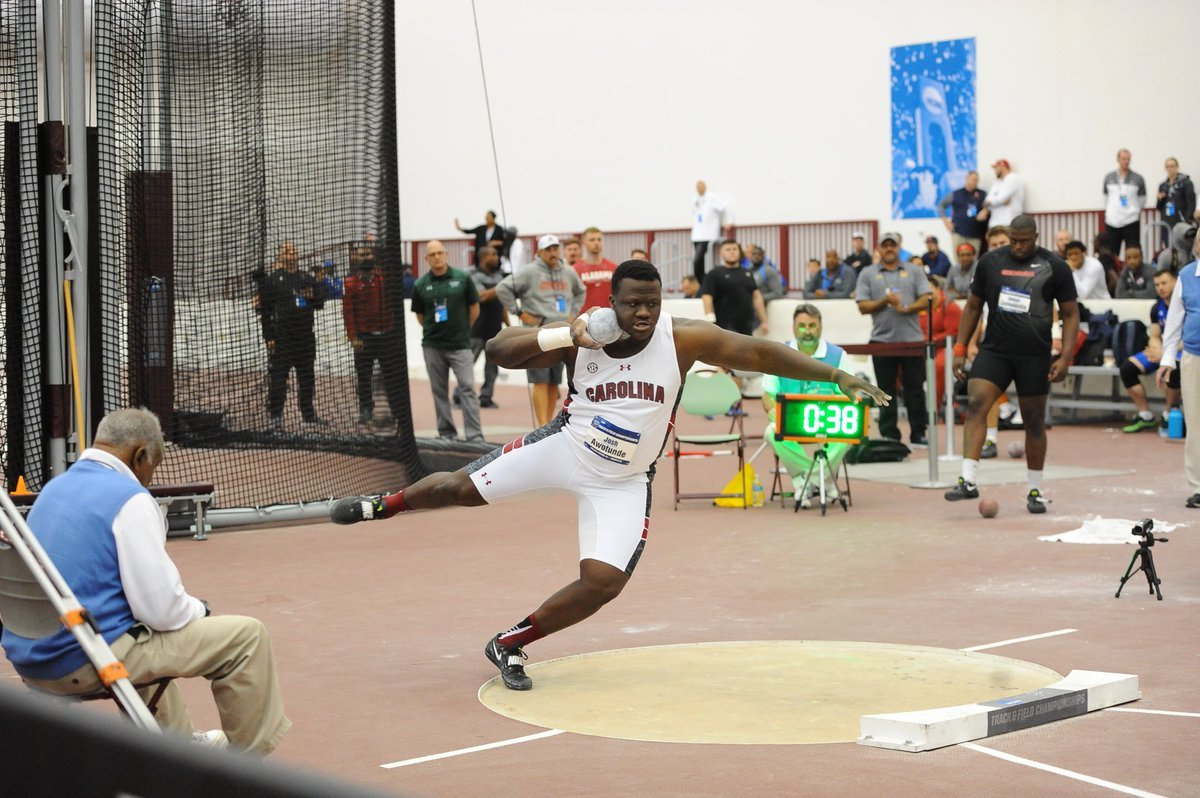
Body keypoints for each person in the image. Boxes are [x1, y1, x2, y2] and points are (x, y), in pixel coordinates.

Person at [329, 261, 889, 691]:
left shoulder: (684, 338)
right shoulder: (583, 333)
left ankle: (510, 643)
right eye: (631, 305)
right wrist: (565, 336)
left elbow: (760, 353)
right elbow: (498, 350)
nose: (642, 314)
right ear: (612, 303)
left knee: (604, 583)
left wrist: (834, 373)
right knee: (459, 489)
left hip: (623, 480)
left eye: (651, 303)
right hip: (566, 446)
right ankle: (385, 505)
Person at [2, 409, 291, 755]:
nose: (149, 480)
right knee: (247, 637)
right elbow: (162, 611)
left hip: (32, 657)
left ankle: (178, 747)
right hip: (83, 658)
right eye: (152, 467)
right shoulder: (130, 499)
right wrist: (200, 609)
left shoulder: (54, 489)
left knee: (138, 634)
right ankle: (243, 771)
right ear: (140, 455)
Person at [945, 215, 1079, 513]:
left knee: (1033, 422)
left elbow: (1070, 314)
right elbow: (973, 306)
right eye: (1014, 240)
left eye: (1024, 241)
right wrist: (960, 346)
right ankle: (968, 480)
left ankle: (1034, 489)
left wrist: (1065, 357)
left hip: (1034, 355)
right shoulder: (990, 262)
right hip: (995, 351)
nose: (1018, 246)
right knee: (977, 402)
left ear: (1035, 237)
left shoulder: (1054, 266)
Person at [762, 304, 855, 506]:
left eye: (812, 326)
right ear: (793, 328)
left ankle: (803, 481)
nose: (807, 331)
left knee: (850, 434)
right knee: (771, 433)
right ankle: (824, 480)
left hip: (829, 420)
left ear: (820, 327)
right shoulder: (779, 354)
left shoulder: (838, 355)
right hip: (792, 420)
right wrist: (771, 409)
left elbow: (850, 395)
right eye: (802, 326)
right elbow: (767, 395)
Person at [496, 234, 587, 426]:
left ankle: (547, 422)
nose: (553, 253)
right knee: (540, 380)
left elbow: (581, 291)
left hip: (563, 333)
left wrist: (573, 313)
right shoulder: (529, 271)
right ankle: (541, 424)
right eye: (549, 250)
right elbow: (503, 288)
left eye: (555, 249)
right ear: (540, 252)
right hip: (537, 333)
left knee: (555, 380)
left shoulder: (568, 271)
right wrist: (519, 312)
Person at [855, 231, 932, 447]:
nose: (889, 248)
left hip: (912, 341)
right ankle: (889, 434)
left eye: (893, 245)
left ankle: (919, 433)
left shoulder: (914, 271)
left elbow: (927, 299)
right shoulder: (867, 273)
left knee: (915, 389)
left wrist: (906, 308)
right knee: (884, 390)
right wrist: (884, 301)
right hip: (881, 341)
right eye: (885, 245)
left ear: (899, 247)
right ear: (878, 249)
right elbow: (862, 305)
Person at [410, 240, 484, 442]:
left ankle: (474, 435)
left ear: (446, 255)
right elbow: (420, 315)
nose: (436, 257)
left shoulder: (462, 279)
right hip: (433, 346)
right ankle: (446, 433)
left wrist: (462, 328)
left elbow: (474, 308)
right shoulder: (420, 284)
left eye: (440, 253)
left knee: (468, 388)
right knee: (439, 391)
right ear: (426, 259)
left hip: (460, 345)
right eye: (432, 254)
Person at [258, 240, 328, 429]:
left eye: (293, 251)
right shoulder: (273, 280)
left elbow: (320, 303)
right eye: (287, 251)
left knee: (307, 377)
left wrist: (313, 294)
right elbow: (265, 310)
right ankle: (276, 417)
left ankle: (308, 414)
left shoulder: (305, 277)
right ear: (280, 256)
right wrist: (269, 337)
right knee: (279, 378)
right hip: (283, 338)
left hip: (305, 338)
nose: (291, 254)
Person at [342, 244, 404, 425]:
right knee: (364, 376)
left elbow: (395, 306)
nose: (365, 257)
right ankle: (366, 409)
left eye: (368, 253)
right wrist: (353, 336)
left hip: (386, 336)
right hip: (363, 338)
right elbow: (348, 312)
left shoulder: (384, 279)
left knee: (391, 376)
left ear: (373, 255)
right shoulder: (350, 282)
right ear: (355, 258)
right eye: (361, 254)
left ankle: (395, 410)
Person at [1158, 240, 1200, 506]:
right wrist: (1167, 359)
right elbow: (1174, 320)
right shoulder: (1186, 276)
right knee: (1196, 423)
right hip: (1193, 356)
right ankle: (1199, 486)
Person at [1123, 268, 1181, 432]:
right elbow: (1154, 335)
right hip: (1162, 350)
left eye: (1164, 283)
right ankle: (1145, 415)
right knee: (1127, 368)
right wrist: (1159, 350)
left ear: (1176, 282)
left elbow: (1190, 338)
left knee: (1173, 369)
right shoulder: (1156, 308)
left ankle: (1168, 414)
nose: (1161, 287)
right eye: (1157, 285)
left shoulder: (1187, 304)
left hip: (1180, 350)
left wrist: (1165, 354)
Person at [461, 245, 508, 409]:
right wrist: (502, 287)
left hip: (495, 330)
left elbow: (501, 304)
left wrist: (508, 325)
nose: (497, 257)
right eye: (493, 254)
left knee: (492, 368)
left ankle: (486, 397)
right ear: (482, 258)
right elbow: (481, 296)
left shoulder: (499, 276)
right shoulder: (472, 275)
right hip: (476, 330)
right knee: (467, 365)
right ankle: (459, 395)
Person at [700, 240, 768, 336]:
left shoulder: (747, 273)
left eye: (735, 249)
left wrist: (764, 321)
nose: (732, 252)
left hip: (746, 326)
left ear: (739, 252)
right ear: (721, 253)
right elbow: (707, 298)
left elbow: (756, 297)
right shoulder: (714, 274)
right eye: (728, 249)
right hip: (724, 327)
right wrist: (710, 320)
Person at [918, 275, 962, 409]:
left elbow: (954, 332)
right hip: (920, 347)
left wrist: (932, 339)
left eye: (930, 291)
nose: (927, 295)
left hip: (944, 346)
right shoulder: (918, 306)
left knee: (938, 365)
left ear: (938, 289)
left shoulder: (949, 306)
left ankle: (933, 409)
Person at [1100, 149, 1148, 255]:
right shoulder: (1109, 177)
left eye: (1128, 159)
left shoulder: (1138, 178)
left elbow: (1142, 200)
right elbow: (1105, 198)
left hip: (1131, 221)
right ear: (1118, 159)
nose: (1126, 161)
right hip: (1112, 222)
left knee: (1133, 251)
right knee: (1112, 253)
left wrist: (1133, 211)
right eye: (1123, 159)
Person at [938, 170, 988, 257]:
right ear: (967, 179)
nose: (975, 182)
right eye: (973, 179)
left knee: (974, 262)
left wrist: (985, 210)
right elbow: (941, 206)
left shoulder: (982, 194)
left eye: (976, 180)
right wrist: (946, 222)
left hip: (975, 234)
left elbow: (989, 206)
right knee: (959, 260)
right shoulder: (956, 194)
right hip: (959, 233)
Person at [690, 180, 732, 281]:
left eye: (701, 186)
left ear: (704, 187)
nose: (699, 189)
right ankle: (700, 281)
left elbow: (724, 207)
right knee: (699, 262)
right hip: (697, 235)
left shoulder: (712, 197)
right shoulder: (696, 199)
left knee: (698, 260)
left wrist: (728, 221)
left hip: (708, 234)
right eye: (697, 187)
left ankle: (701, 281)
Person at [573, 227, 619, 312]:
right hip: (585, 318)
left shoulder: (613, 267)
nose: (596, 243)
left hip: (609, 316)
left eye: (599, 239)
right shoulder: (575, 269)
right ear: (583, 242)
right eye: (592, 240)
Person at [1157, 157, 1196, 249]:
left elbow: (1191, 202)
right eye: (1168, 167)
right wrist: (1160, 199)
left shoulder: (1186, 183)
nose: (1170, 169)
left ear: (1177, 167)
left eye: (1172, 166)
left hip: (1181, 222)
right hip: (1167, 223)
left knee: (1182, 248)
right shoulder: (1163, 186)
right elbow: (1159, 207)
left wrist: (1187, 221)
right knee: (1169, 248)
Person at [981, 159, 1024, 229]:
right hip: (994, 223)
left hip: (1008, 222)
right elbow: (986, 200)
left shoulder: (1013, 178)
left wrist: (992, 201)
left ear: (1002, 167)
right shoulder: (998, 181)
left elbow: (1001, 198)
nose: (995, 171)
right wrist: (996, 201)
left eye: (996, 168)